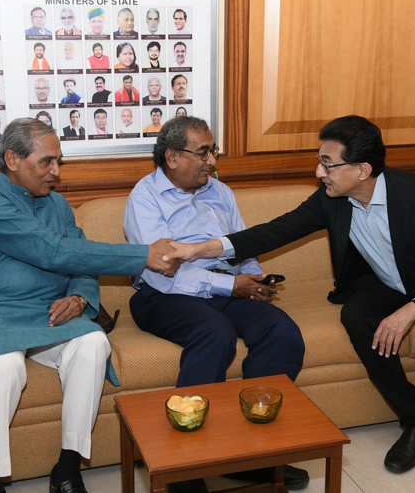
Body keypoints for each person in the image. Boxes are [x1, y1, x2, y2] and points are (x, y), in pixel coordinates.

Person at [165, 115, 415, 475]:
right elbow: (273, 232)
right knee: (356, 316)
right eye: (319, 161)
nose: (319, 173)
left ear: (363, 170)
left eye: (328, 164)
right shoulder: (332, 199)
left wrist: (413, 308)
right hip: (388, 284)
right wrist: (199, 250)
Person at [0, 117, 177, 493]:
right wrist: (142, 255)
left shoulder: (57, 205)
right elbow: (52, 251)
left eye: (58, 161)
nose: (56, 171)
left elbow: (79, 260)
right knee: (3, 366)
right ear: (12, 159)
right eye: (46, 161)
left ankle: (67, 469)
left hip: (45, 312)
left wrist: (79, 297)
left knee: (93, 342)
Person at [124, 116, 308, 492]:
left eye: (213, 151)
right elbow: (162, 270)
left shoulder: (220, 192)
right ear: (172, 157)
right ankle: (185, 468)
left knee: (281, 330)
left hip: (224, 288)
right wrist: (230, 285)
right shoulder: (145, 197)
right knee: (215, 333)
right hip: (165, 295)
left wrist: (254, 279)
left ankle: (251, 455)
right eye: (203, 152)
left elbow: (241, 245)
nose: (211, 161)